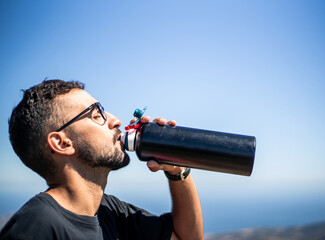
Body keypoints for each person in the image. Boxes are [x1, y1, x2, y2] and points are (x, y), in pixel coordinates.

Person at [0, 79, 203, 240]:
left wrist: (176, 170)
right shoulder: (36, 227)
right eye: (97, 115)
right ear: (62, 143)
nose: (116, 121)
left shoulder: (109, 212)